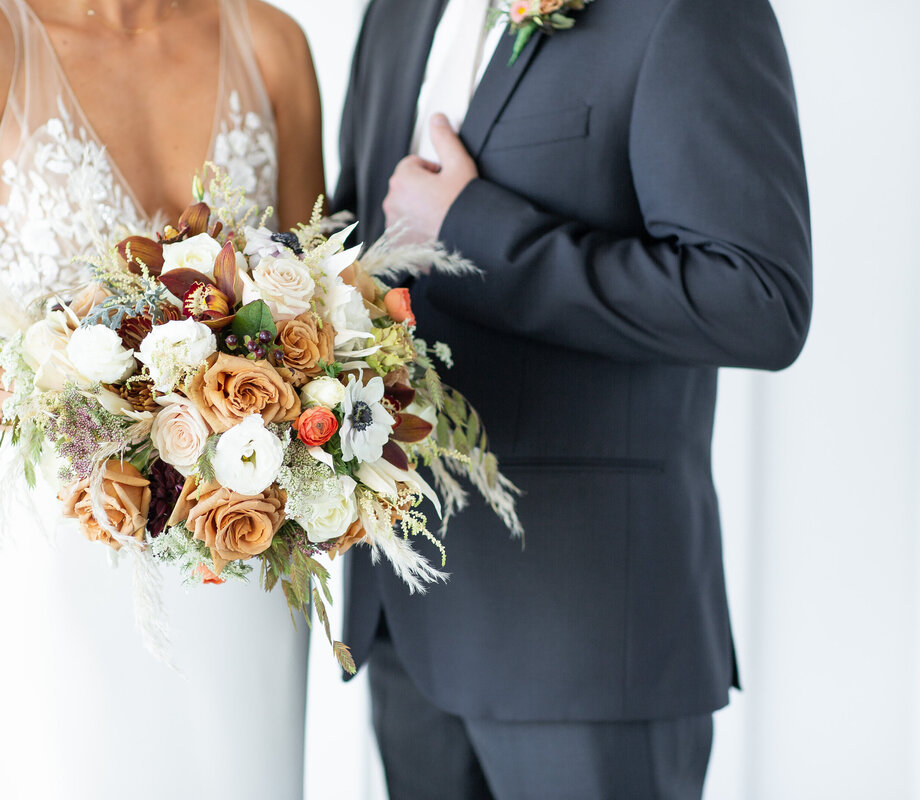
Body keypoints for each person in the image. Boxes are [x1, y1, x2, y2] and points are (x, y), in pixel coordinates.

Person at [333, 0, 811, 797]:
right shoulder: (394, 11)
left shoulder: (687, 14)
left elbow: (758, 303)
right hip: (401, 622)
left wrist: (475, 228)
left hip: (586, 646)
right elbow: (358, 252)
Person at [0, 1, 323, 797]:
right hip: (62, 545)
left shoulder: (272, 44)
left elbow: (310, 309)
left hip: (235, 544)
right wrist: (101, 418)